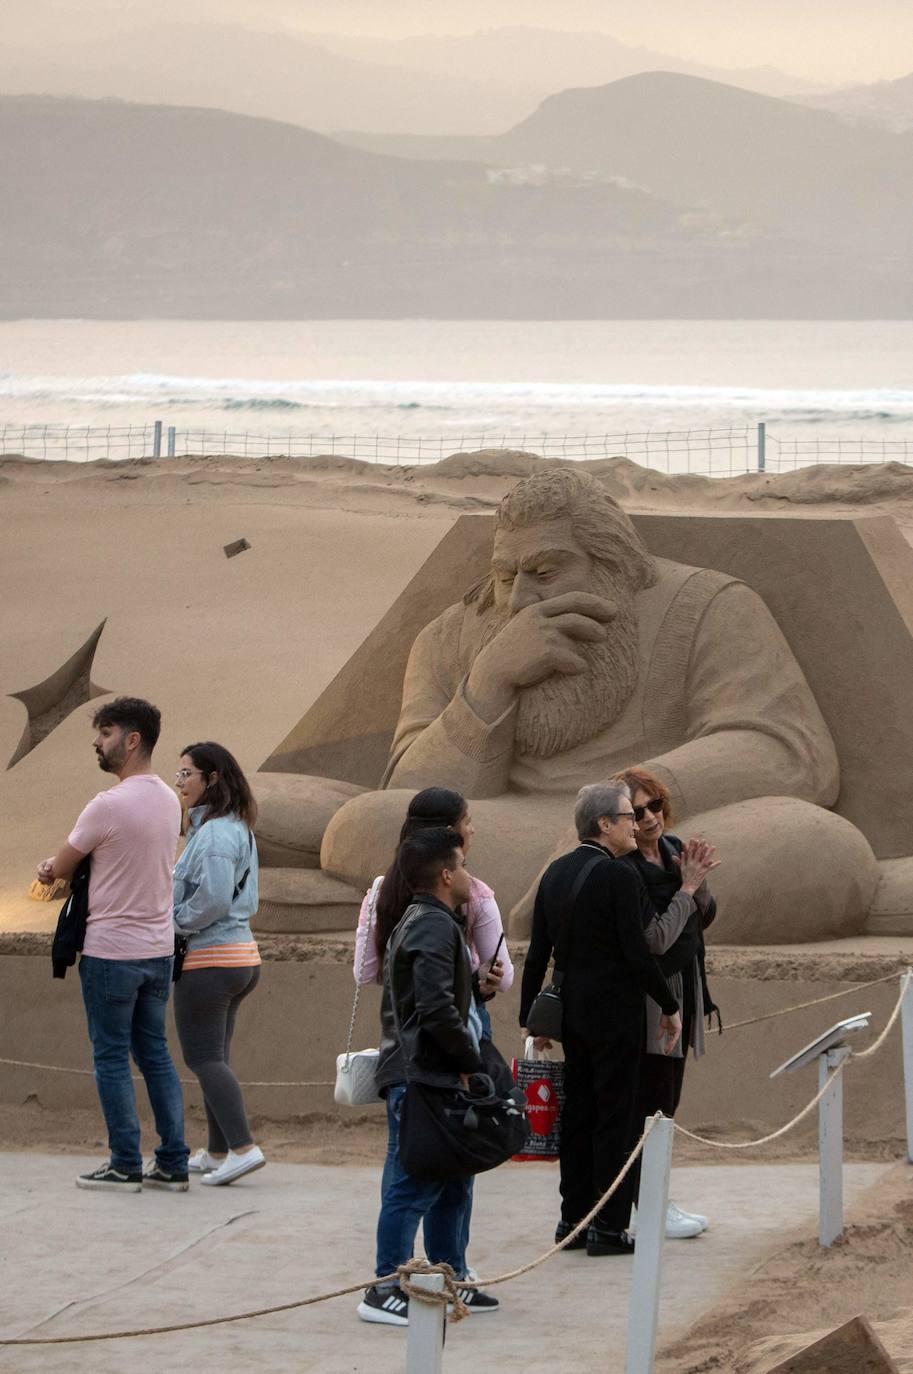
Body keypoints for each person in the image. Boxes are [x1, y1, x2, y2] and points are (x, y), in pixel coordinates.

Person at [260, 466, 848, 943]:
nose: (520, 598)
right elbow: (415, 794)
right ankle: (571, 905)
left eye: (545, 570)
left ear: (611, 563)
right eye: (504, 574)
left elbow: (786, 750)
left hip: (660, 830)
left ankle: (557, 903)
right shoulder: (451, 637)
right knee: (367, 823)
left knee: (814, 843)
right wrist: (488, 684)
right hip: (514, 831)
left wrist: (631, 799)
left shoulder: (705, 607)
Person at [354, 787, 512, 1308]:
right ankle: (386, 1287)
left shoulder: (429, 919)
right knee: (412, 1181)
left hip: (435, 1069)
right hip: (423, 1071)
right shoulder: (431, 927)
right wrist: (469, 1063)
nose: (471, 875)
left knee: (451, 1180)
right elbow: (437, 1009)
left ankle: (451, 1276)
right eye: (462, 865)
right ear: (445, 873)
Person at [520, 782, 689, 1257]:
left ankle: (571, 1220)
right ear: (604, 825)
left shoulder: (555, 873)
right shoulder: (618, 877)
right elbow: (638, 954)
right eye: (626, 816)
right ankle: (609, 1227)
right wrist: (670, 1006)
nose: (635, 824)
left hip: (572, 1007)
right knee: (616, 1115)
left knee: (578, 1112)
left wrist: (530, 1017)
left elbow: (537, 954)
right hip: (615, 1009)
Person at [36, 696, 188, 1192]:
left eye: (105, 734)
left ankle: (125, 1161)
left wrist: (47, 868)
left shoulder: (107, 804)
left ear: (132, 739)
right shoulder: (170, 798)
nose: (98, 744)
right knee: (156, 1055)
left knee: (110, 1056)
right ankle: (172, 1161)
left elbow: (58, 866)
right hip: (157, 948)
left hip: (111, 951)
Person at [615, 766, 719, 1239]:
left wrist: (695, 885)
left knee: (668, 1097)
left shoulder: (674, 851)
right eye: (637, 812)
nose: (650, 818)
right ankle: (650, 1205)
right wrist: (687, 889)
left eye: (654, 805)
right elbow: (654, 941)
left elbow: (706, 913)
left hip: (686, 986)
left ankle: (656, 1201)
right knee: (654, 1099)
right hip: (655, 995)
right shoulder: (627, 869)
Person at [172, 741, 265, 1186]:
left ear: (212, 779)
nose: (181, 782)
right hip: (239, 955)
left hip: (211, 959)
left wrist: (173, 922)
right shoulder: (234, 827)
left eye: (187, 773)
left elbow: (210, 898)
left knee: (203, 1057)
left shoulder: (213, 834)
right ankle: (217, 1150)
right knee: (216, 1058)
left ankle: (244, 1148)